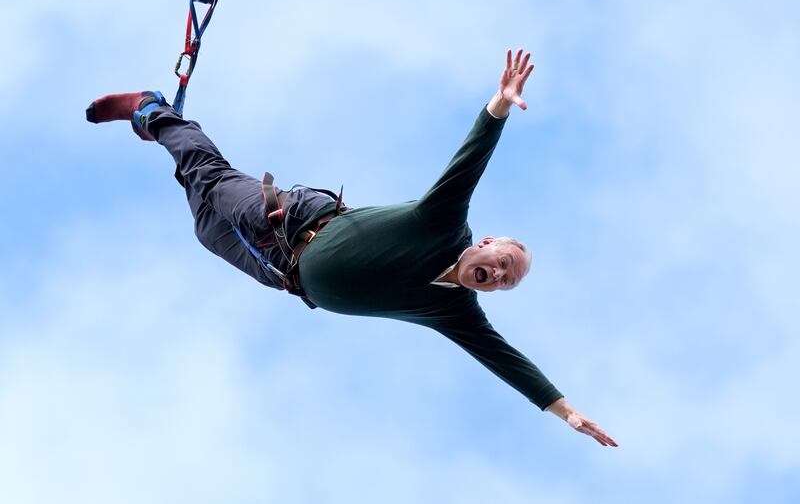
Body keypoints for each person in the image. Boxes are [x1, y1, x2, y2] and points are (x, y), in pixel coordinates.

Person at [87, 48, 618, 447]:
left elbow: (506, 361)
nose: (500, 273)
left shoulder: (453, 311)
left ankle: (172, 139)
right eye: (503, 262)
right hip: (291, 220)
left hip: (280, 271)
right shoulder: (443, 222)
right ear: (484, 243)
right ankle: (151, 110)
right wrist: (499, 103)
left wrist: (567, 412)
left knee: (204, 221)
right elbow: (471, 158)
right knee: (210, 175)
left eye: (507, 280)